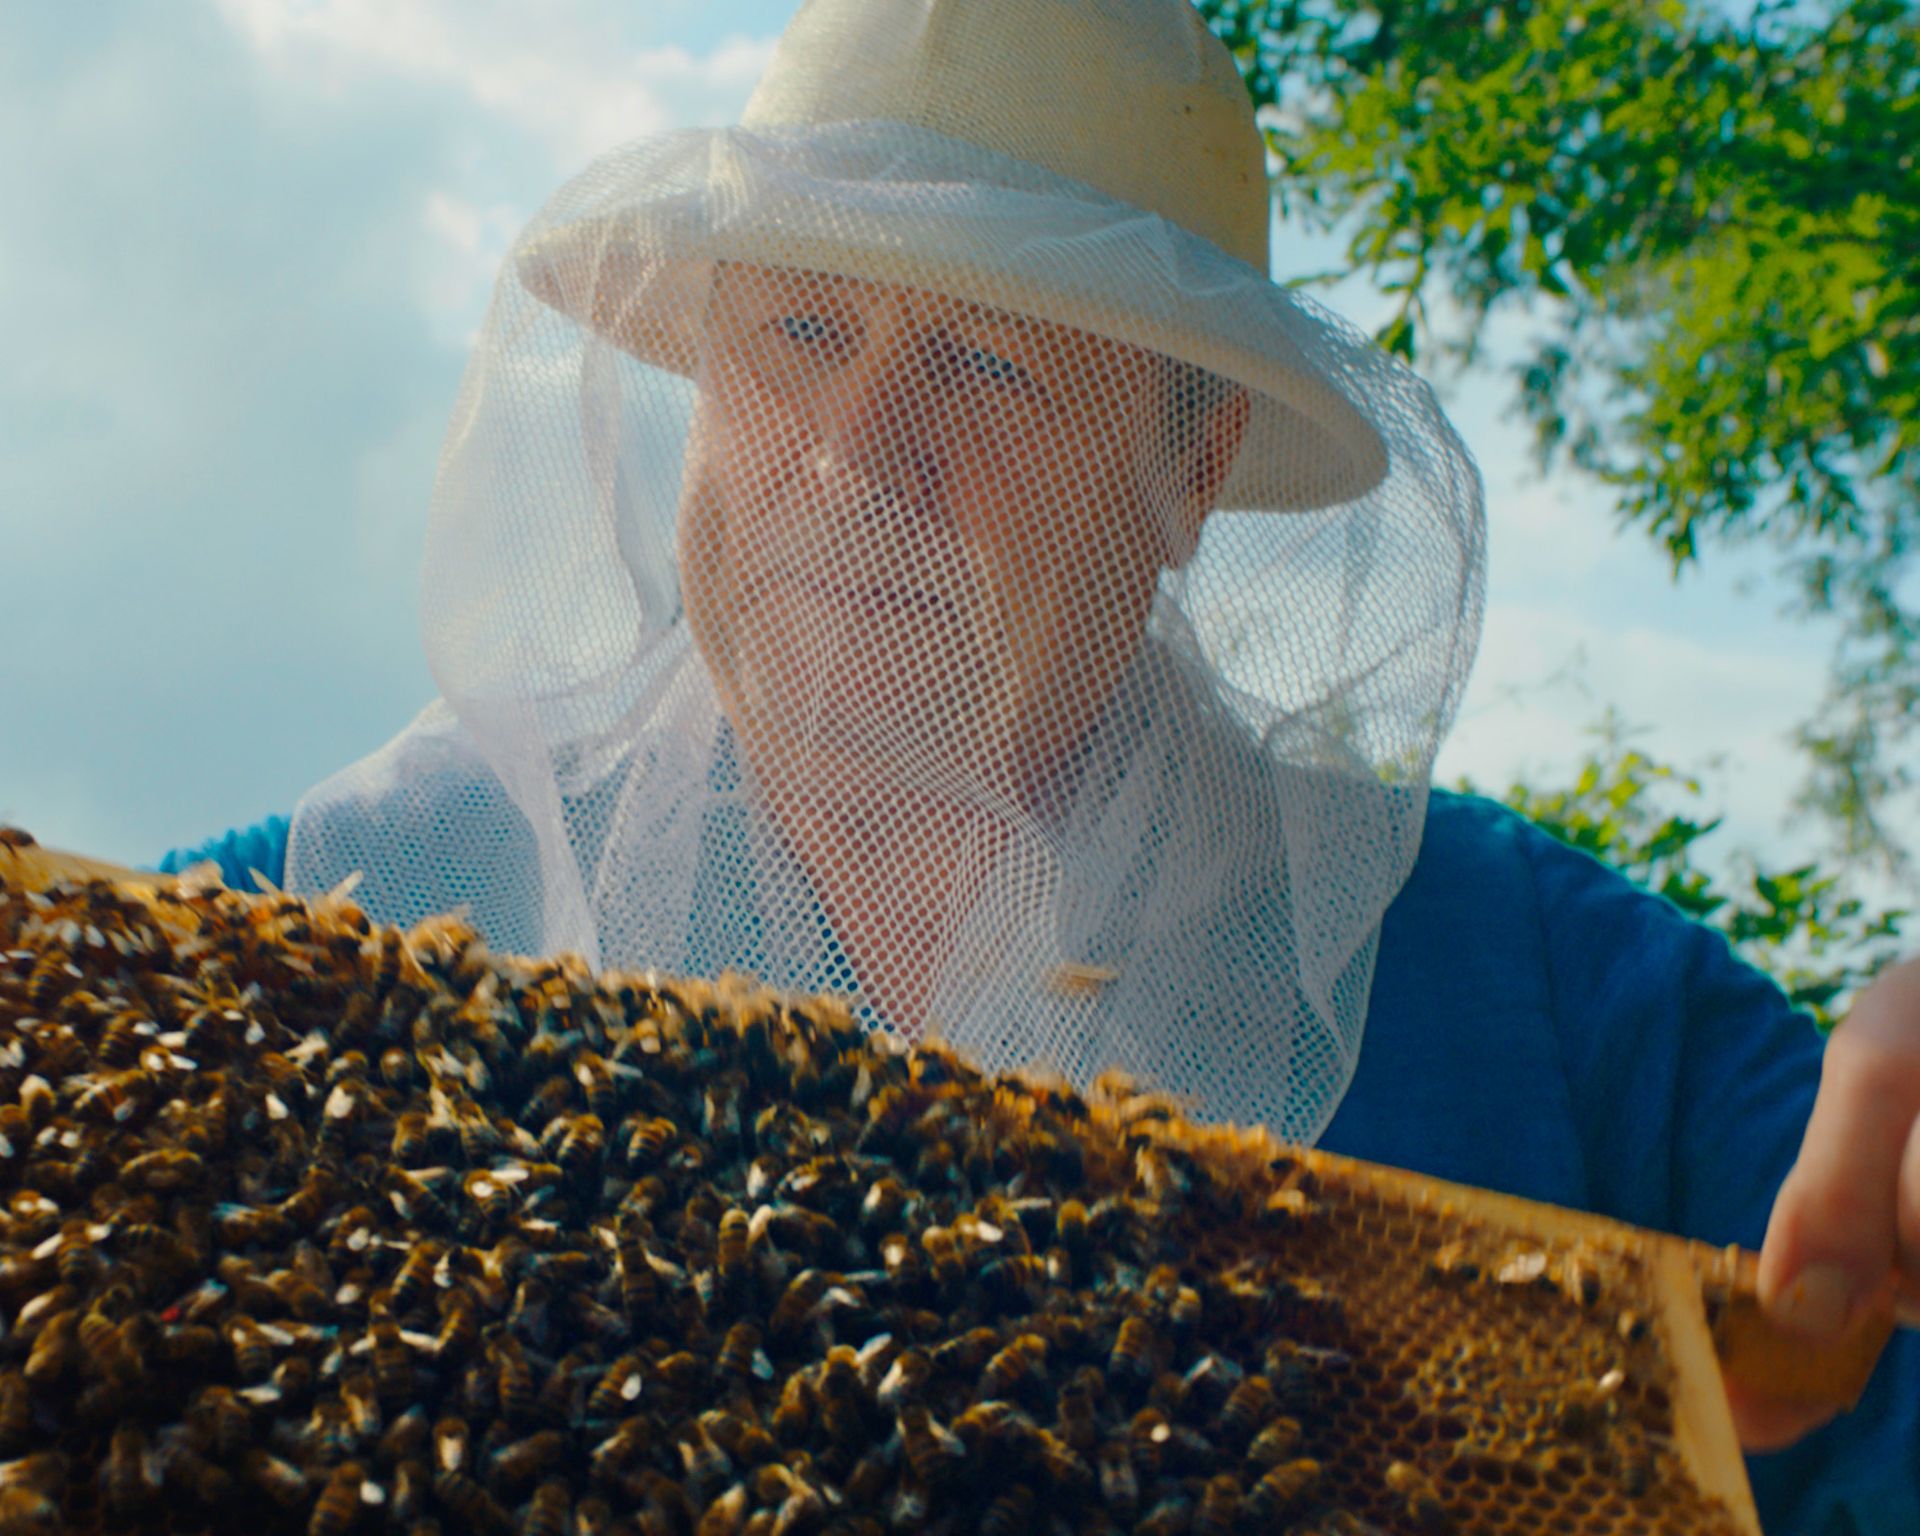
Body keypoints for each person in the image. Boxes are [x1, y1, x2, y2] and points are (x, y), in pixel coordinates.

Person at [157, 0, 1920, 1527]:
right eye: (798, 337)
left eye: (989, 361)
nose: (859, 453)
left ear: (1194, 462)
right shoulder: (341, 919)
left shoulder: (1566, 1009)